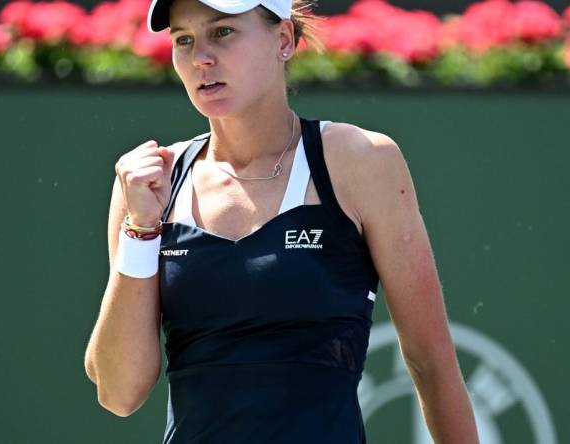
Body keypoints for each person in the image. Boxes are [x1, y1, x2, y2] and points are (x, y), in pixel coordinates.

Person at [84, 0, 480, 442]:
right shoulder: (148, 186)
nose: (201, 57)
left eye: (223, 32)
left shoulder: (361, 161)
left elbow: (432, 363)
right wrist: (140, 230)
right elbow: (119, 393)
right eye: (184, 40)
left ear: (284, 39)